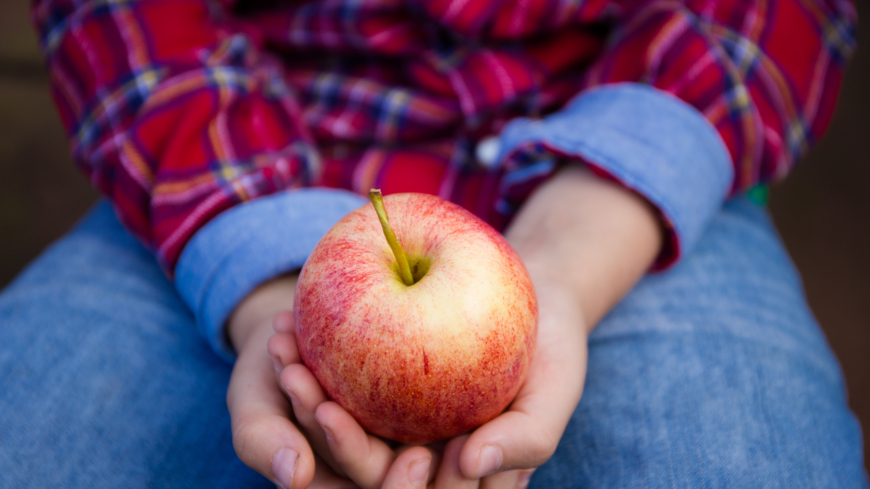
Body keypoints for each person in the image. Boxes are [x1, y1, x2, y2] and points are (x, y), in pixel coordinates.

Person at [1, 0, 866, 487]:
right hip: (228, 154)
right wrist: (269, 280)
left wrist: (570, 257)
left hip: (620, 158)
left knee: (741, 468)